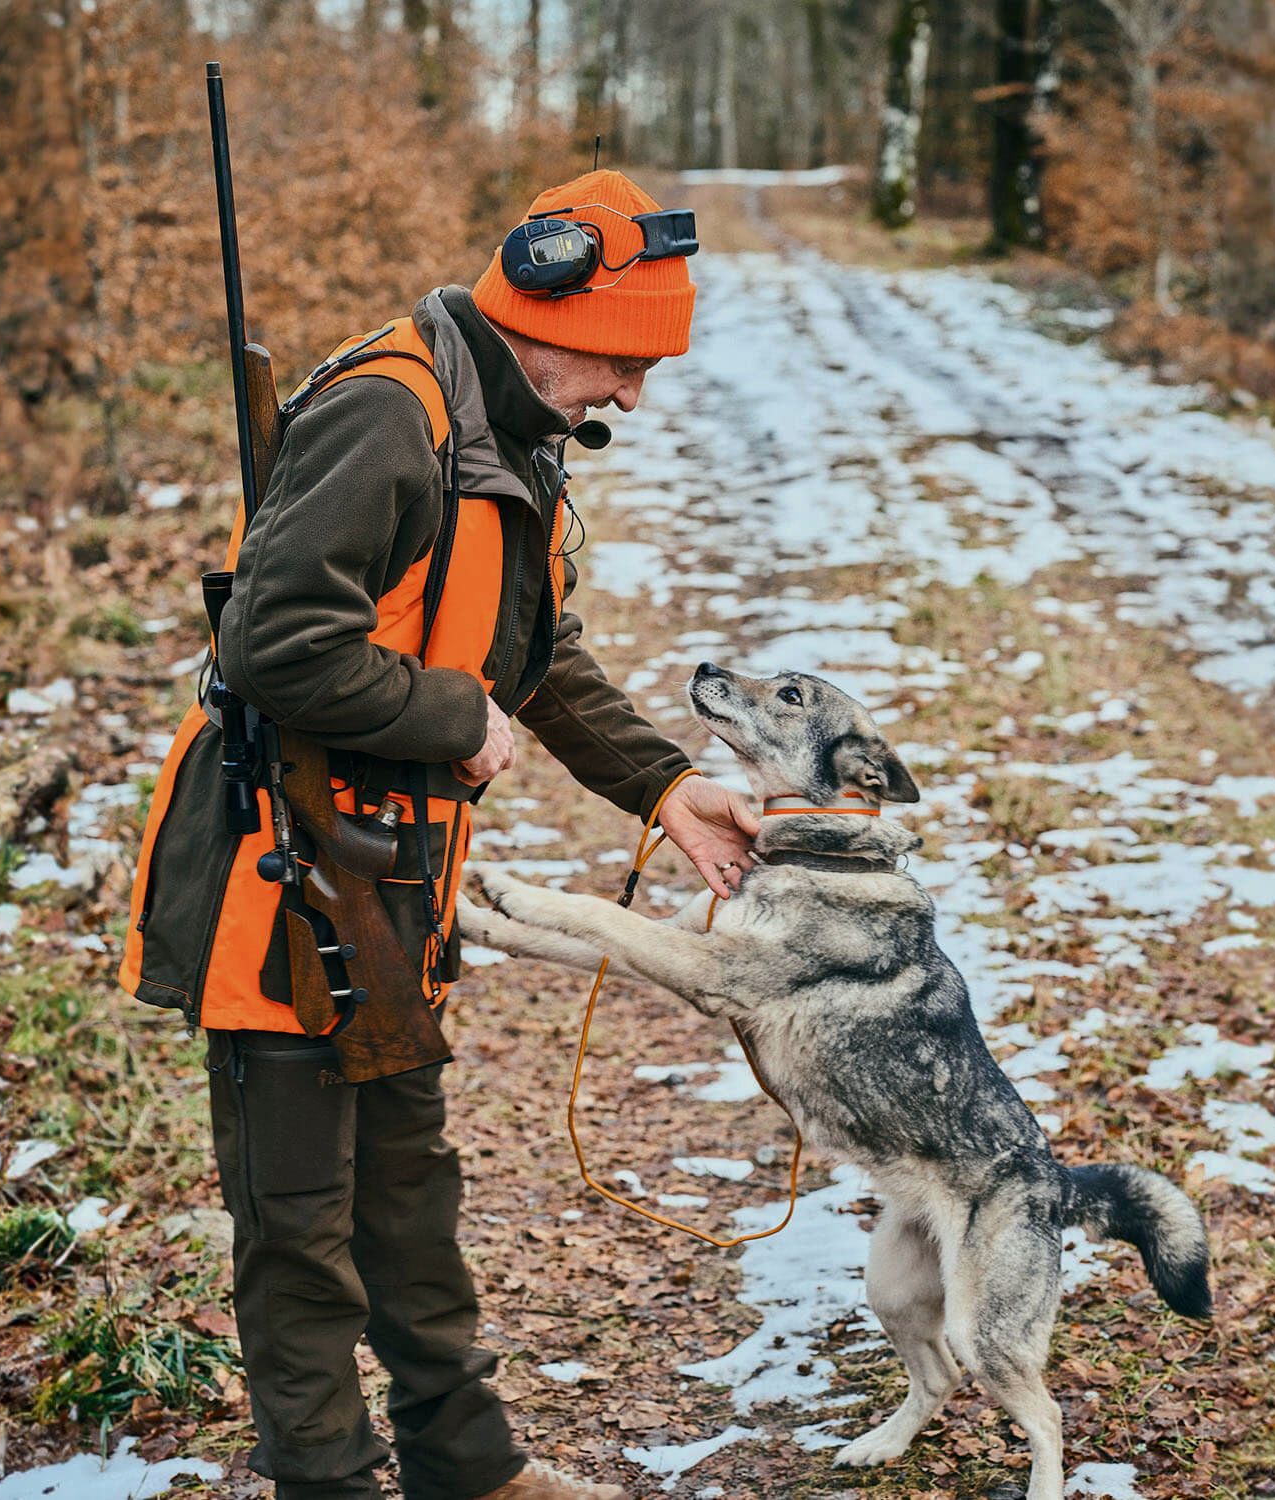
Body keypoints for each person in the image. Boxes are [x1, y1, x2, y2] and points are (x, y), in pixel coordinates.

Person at [119, 168, 758, 1500]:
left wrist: (663, 785)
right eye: (629, 359)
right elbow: (276, 645)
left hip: (390, 878)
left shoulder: (504, 418)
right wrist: (451, 715)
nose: (636, 395)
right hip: (277, 877)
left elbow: (532, 643)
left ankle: (469, 1469)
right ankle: (331, 1481)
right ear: (541, 306)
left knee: (407, 1195)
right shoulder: (390, 417)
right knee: (299, 1232)